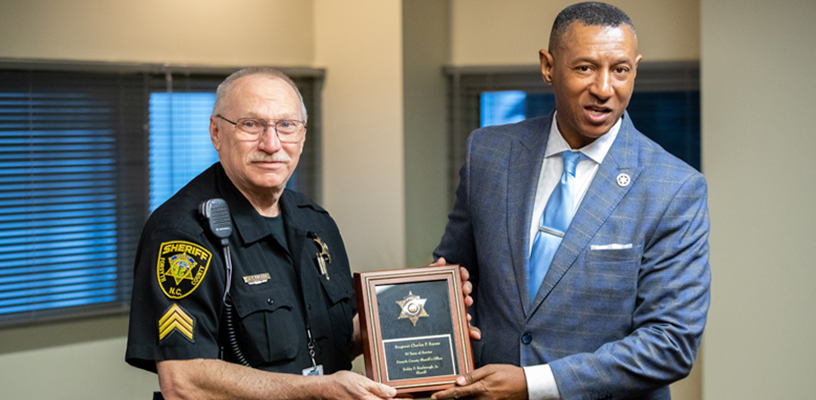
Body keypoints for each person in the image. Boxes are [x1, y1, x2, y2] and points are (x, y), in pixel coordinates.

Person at [431, 2, 710, 400]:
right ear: (548, 66)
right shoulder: (488, 154)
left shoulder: (674, 187)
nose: (604, 88)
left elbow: (670, 344)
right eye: (585, 68)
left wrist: (533, 384)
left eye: (621, 70)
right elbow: (453, 277)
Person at [125, 67, 401, 400]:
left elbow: (337, 341)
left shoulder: (316, 223)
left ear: (302, 135)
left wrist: (415, 301)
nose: (271, 144)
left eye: (286, 125)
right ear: (216, 132)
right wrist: (317, 391)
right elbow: (184, 382)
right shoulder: (183, 235)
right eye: (251, 125)